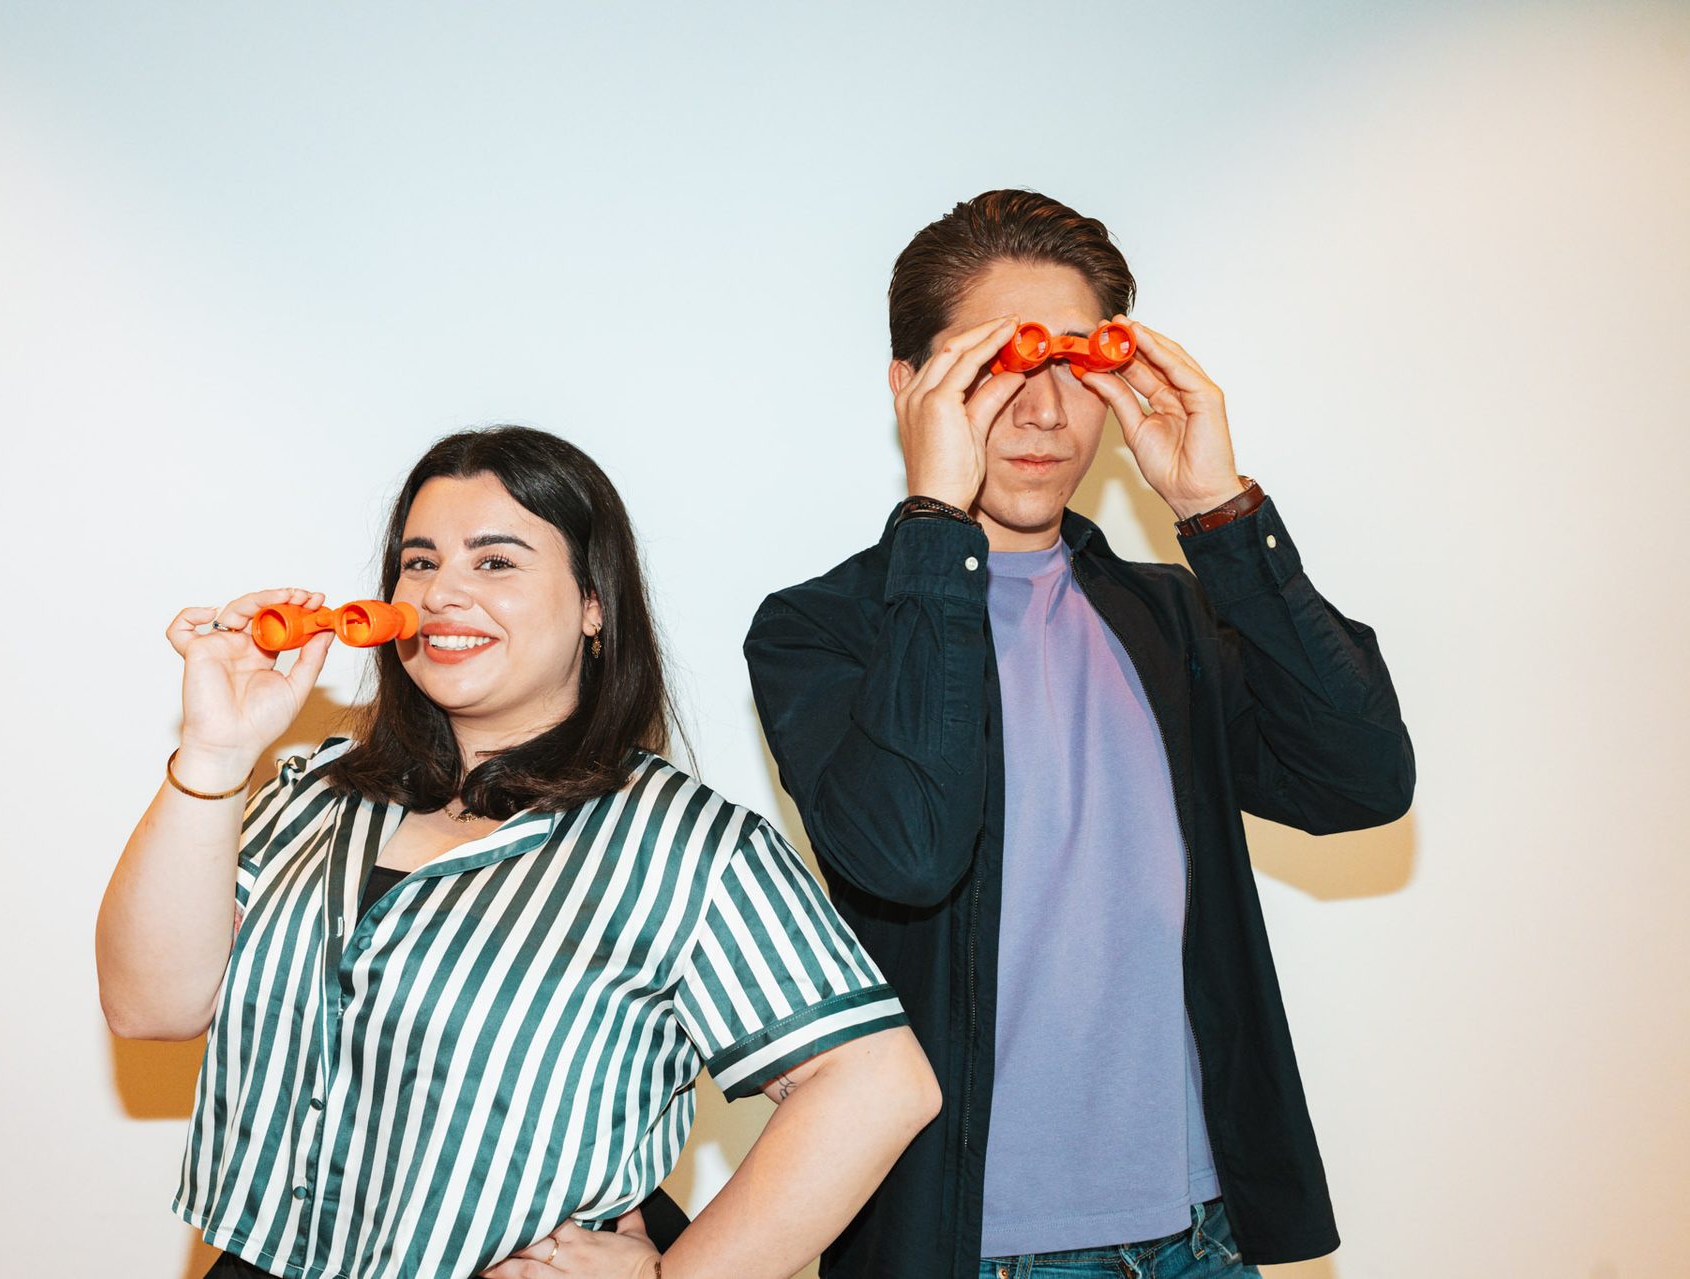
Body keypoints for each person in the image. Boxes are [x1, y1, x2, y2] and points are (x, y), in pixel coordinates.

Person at [744, 190, 1416, 1279]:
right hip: (971, 1249)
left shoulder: (1170, 613)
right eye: (1000, 368)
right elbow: (907, 852)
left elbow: (1360, 780)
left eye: (1074, 367)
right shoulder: (824, 631)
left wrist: (1222, 512)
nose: (1048, 415)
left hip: (1204, 1233)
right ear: (910, 387)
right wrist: (934, 525)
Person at [98, 426, 940, 1279]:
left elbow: (876, 1083)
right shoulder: (314, 791)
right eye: (419, 563)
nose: (441, 594)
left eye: (495, 562)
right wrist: (213, 752)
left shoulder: (683, 843)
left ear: (592, 603)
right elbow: (150, 1005)